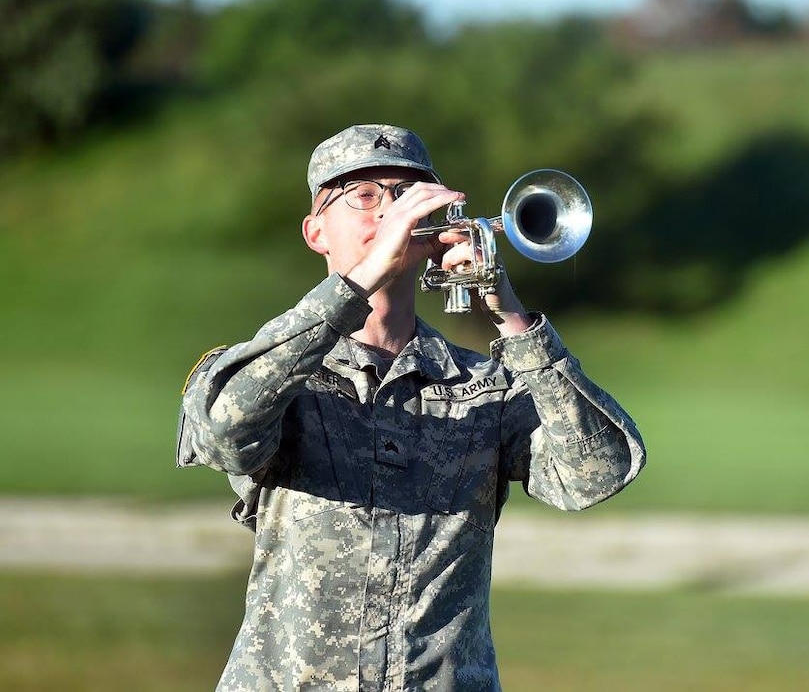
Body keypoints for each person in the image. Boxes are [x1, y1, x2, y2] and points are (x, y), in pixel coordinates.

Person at [176, 124, 646, 691]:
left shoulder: (486, 384)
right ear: (316, 231)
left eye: (406, 194)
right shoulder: (271, 371)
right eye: (366, 196)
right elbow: (225, 432)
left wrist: (509, 312)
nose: (391, 211)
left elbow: (594, 477)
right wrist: (362, 278)